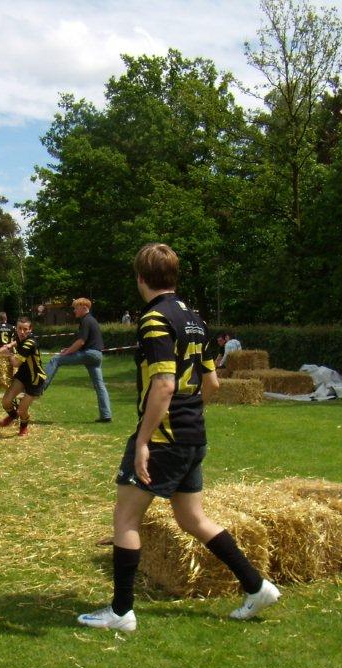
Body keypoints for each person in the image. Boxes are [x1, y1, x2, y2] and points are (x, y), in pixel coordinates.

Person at [77, 243, 280, 632]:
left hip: (164, 439)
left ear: (140, 278)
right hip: (193, 434)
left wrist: (142, 441)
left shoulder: (154, 320)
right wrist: (187, 418)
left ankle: (120, 612)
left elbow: (165, 384)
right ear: (174, 276)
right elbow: (213, 383)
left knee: (125, 517)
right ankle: (257, 586)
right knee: (191, 517)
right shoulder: (195, 320)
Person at [44, 297, 112, 423]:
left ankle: (39, 387)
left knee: (56, 360)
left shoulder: (85, 320)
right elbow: (83, 342)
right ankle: (106, 415)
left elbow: (81, 342)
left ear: (84, 308)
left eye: (76, 308)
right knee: (99, 385)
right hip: (97, 355)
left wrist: (67, 352)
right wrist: (69, 349)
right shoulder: (92, 320)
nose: (74, 310)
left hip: (89, 354)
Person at [0, 316, 46, 436]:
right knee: (6, 402)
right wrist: (9, 345)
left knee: (22, 410)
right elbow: (17, 341)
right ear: (16, 328)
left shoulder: (30, 343)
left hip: (35, 379)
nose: (22, 332)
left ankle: (23, 427)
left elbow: (15, 363)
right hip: (23, 375)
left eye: (25, 329)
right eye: (19, 328)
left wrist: (8, 353)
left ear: (30, 329)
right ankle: (13, 416)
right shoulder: (20, 337)